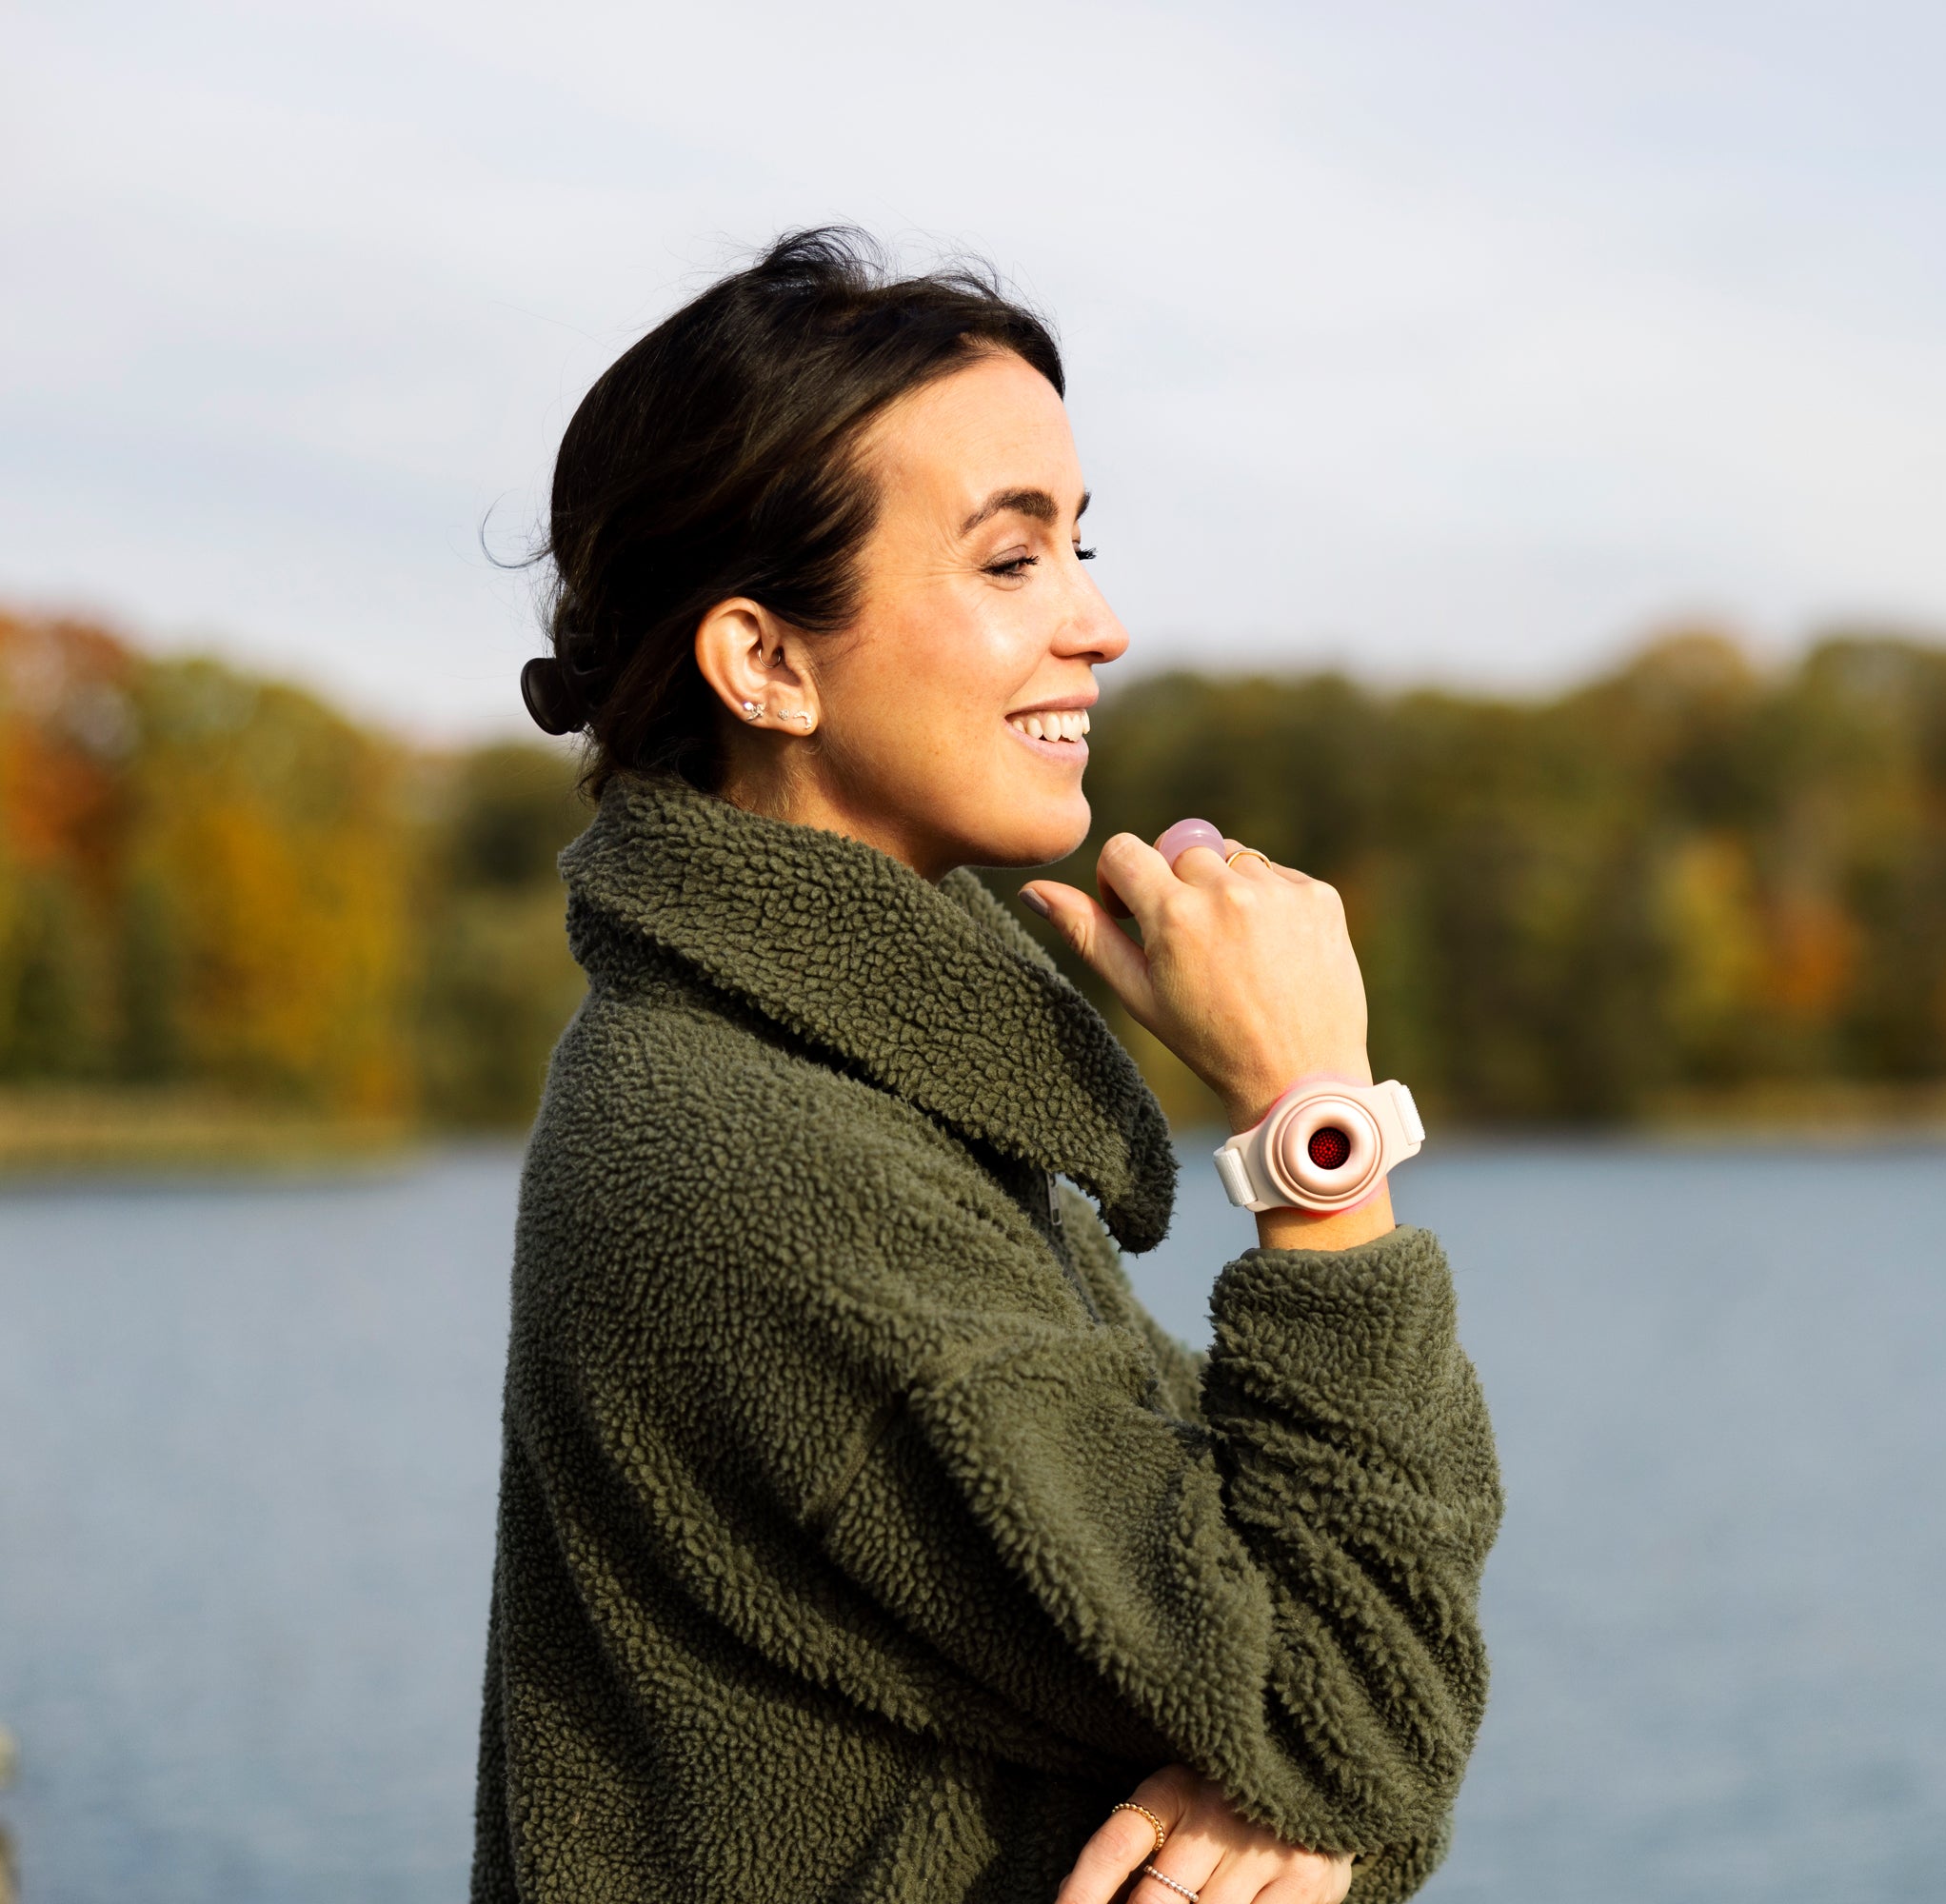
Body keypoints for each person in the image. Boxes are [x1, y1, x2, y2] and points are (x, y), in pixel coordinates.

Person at [475, 229, 1503, 1904]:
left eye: (1080, 547)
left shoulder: (837, 1086)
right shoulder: (763, 1160)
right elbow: (1354, 1712)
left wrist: (1290, 1797)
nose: (1096, 623)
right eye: (1011, 559)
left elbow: (1326, 1706)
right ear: (767, 664)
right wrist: (1315, 1134)